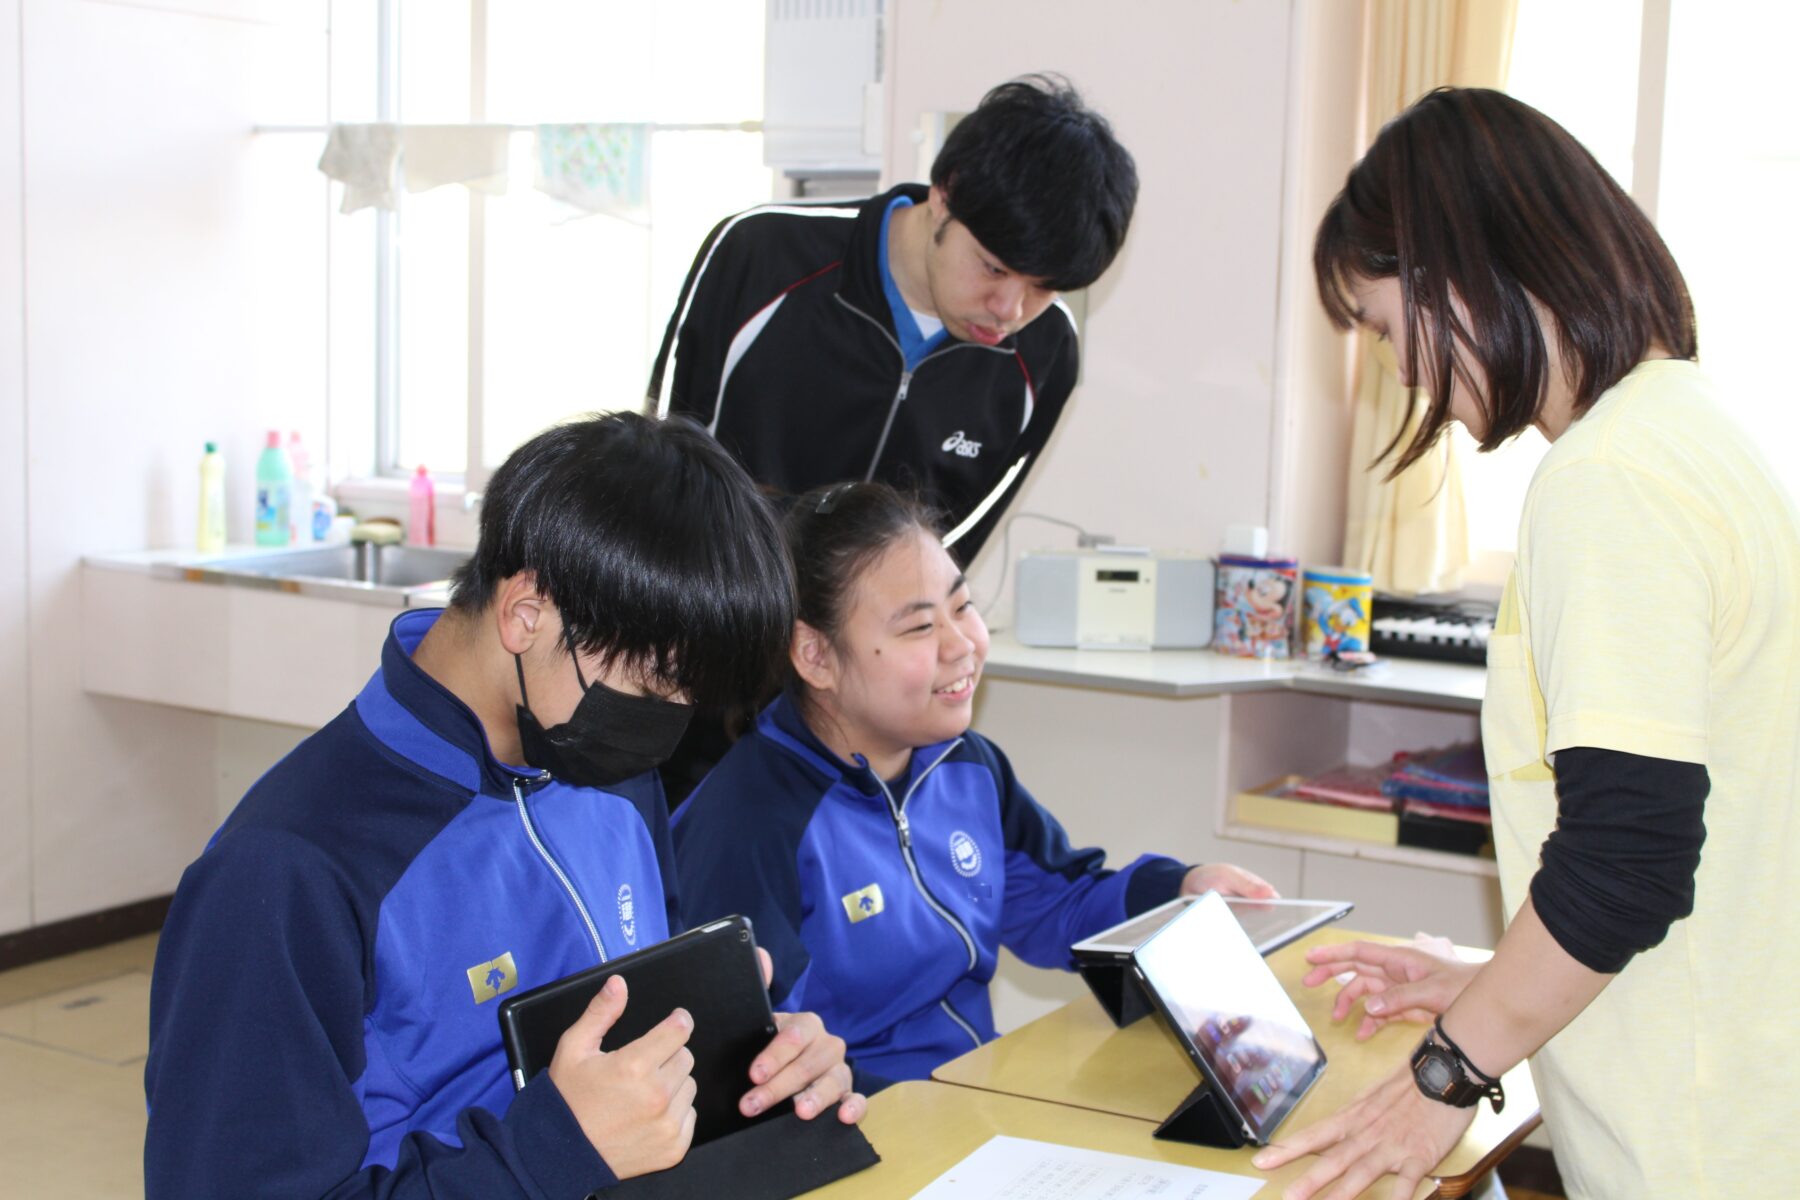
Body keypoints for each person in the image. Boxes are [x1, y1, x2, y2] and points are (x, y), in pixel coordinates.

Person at [1250, 88, 1800, 1198]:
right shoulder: (1692, 434)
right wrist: (1483, 975)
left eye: (1389, 328)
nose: (1402, 373)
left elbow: (1627, 859)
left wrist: (1442, 1076)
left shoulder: (1608, 481)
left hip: (1695, 1147)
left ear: (1459, 272)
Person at [143, 413, 866, 1199]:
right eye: (657, 682)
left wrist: (758, 1069)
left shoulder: (609, 771)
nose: (672, 717)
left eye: (690, 691)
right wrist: (549, 1151)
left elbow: (635, 1062)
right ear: (527, 614)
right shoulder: (288, 869)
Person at [669, 481, 1276, 1085]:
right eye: (919, 628)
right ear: (816, 656)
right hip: (855, 1129)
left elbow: (1058, 904)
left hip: (970, 1096)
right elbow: (758, 1052)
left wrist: (1179, 893)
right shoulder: (747, 822)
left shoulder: (965, 766)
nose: (963, 646)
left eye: (962, 608)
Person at [647, 73, 1137, 566]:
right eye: (994, 268)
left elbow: (949, 550)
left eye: (1044, 287)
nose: (1010, 311)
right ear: (945, 194)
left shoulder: (1047, 351)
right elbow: (657, 467)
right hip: (712, 614)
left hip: (866, 640)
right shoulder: (761, 254)